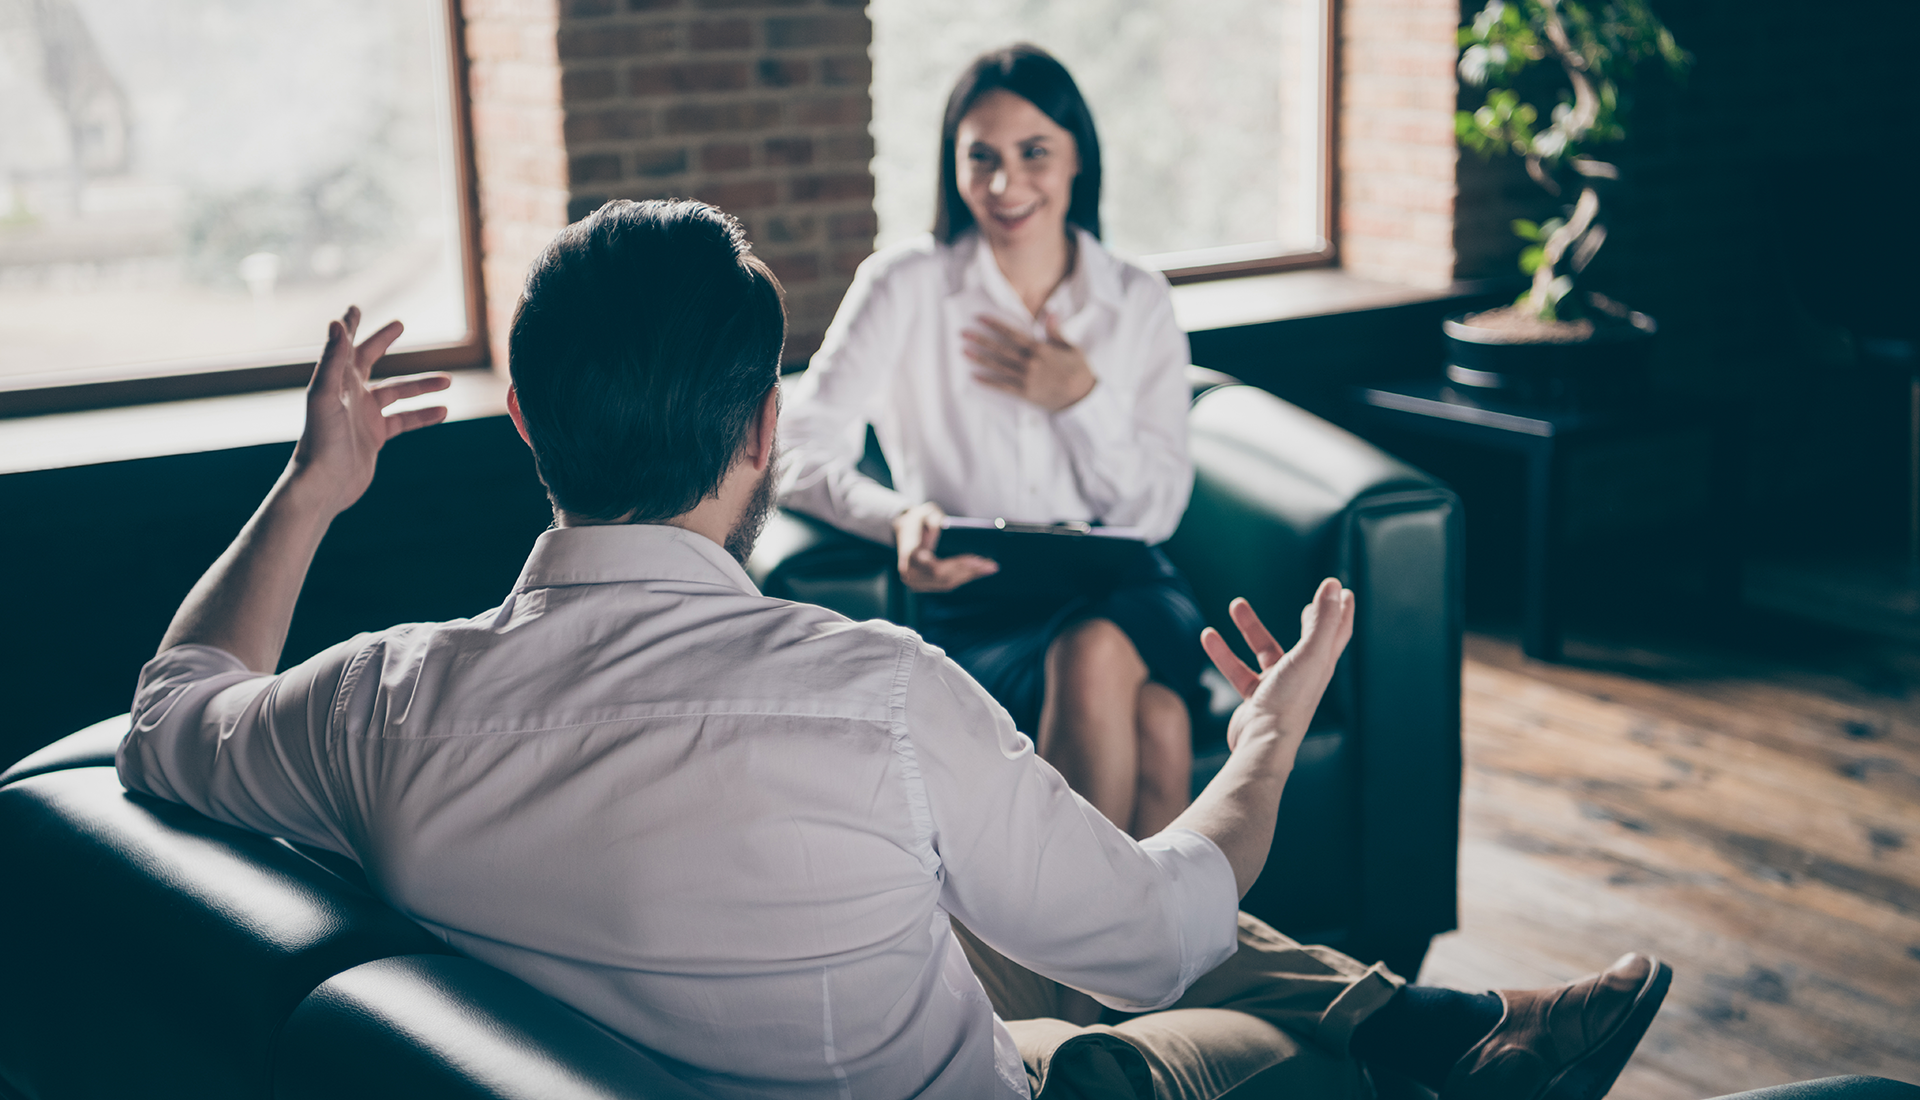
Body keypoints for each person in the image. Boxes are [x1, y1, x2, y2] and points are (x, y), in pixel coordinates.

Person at [119, 199, 1670, 1100]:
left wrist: (313, 485)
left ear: (525, 423)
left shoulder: (388, 703)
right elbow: (1160, 929)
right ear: (763, 428)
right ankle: (1425, 1053)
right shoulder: (870, 697)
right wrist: (1263, 734)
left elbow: (171, 708)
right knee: (1230, 1016)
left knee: (996, 899)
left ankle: (1443, 1020)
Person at [780, 44, 1202, 839]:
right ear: (954, 165)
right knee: (1160, 725)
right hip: (977, 596)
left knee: (1098, 656)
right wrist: (900, 517)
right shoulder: (906, 284)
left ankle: (1062, 957)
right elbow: (795, 450)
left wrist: (1079, 398)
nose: (1006, 186)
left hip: (1125, 584)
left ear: (1078, 156)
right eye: (982, 159)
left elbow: (1157, 509)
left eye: (1034, 153)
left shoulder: (1137, 300)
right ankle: (1146, 958)